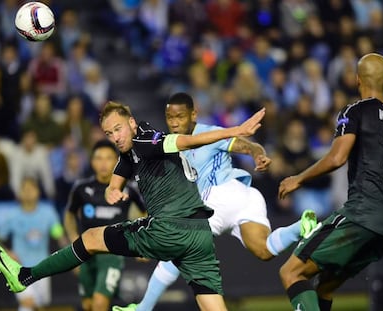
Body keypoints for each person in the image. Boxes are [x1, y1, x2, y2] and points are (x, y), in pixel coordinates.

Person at [0, 100, 267, 311]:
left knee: (90, 237)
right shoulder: (133, 146)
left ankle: (26, 276)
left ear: (132, 123)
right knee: (212, 305)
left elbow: (185, 140)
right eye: (108, 132)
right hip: (200, 235)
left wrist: (236, 130)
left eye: (118, 129)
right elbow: (123, 165)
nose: (114, 136)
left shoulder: (146, 140)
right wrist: (114, 188)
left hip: (170, 228)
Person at [113, 92, 318, 311]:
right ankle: (301, 227)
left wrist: (258, 154)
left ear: (193, 114)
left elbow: (247, 145)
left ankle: (143, 308)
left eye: (179, 117)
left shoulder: (208, 133)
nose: (174, 123)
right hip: (245, 197)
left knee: (179, 247)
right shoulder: (169, 142)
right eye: (169, 117)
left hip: (220, 194)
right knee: (264, 250)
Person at [277, 52, 383, 311]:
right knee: (325, 286)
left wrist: (299, 178)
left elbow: (337, 158)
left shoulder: (355, 110)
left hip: (360, 215)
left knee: (291, 272)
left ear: (358, 80)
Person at [64, 139, 146, 311]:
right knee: (88, 305)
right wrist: (73, 239)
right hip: (85, 252)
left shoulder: (128, 188)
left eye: (108, 158)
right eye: (98, 158)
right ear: (92, 162)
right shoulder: (81, 188)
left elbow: (146, 213)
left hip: (112, 254)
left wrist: (142, 242)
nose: (103, 163)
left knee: (100, 303)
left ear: (116, 161)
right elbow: (69, 215)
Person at [0, 177, 67, 311]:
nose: (28, 192)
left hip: (43, 268)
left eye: (31, 188)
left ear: (38, 192)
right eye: (24, 189)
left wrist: (72, 256)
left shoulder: (48, 212)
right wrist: (7, 252)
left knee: (39, 305)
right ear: (19, 193)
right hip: (19, 269)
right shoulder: (12, 215)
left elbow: (60, 236)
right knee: (27, 304)